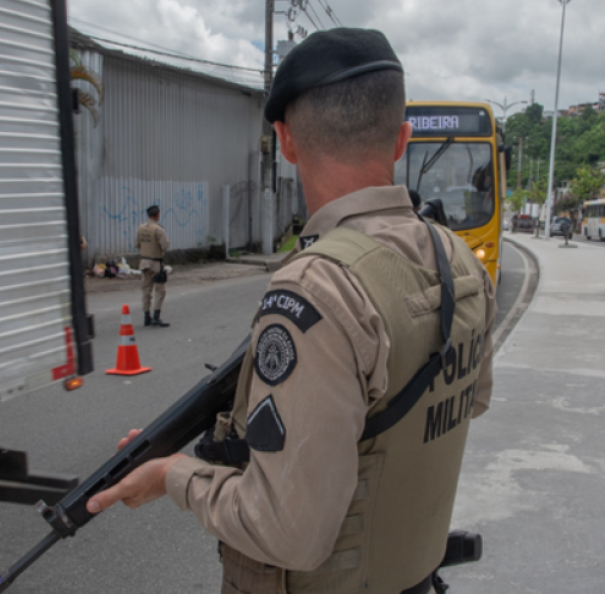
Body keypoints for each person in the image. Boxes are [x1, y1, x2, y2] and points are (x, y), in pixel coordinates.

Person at [86, 28, 495, 594]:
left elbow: (290, 533)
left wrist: (172, 475)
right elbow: (466, 400)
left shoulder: (316, 288)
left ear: (286, 140)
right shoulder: (458, 260)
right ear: (401, 139)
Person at [135, 205, 170, 327]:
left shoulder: (141, 228)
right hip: (156, 263)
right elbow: (165, 246)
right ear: (157, 215)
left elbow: (137, 244)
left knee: (146, 291)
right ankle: (156, 316)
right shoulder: (158, 229)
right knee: (160, 290)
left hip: (144, 263)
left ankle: (146, 317)